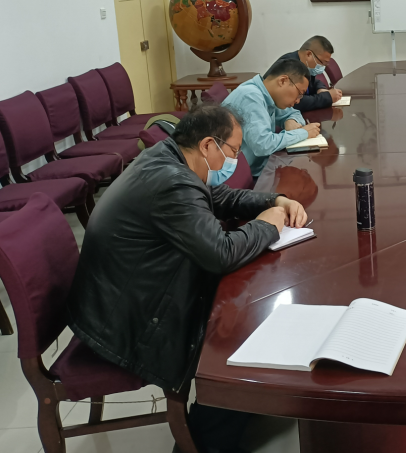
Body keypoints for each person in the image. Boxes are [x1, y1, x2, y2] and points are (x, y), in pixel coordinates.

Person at [66, 105, 308, 453]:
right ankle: (206, 440)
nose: (235, 160)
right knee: (238, 333)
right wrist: (267, 226)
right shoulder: (171, 182)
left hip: (124, 294)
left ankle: (245, 402)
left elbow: (217, 198)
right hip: (127, 320)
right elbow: (221, 253)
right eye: (233, 151)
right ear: (208, 145)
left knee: (247, 304)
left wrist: (275, 200)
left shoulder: (170, 157)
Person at [222, 58, 321, 177]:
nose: (298, 101)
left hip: (263, 167)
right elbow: (262, 145)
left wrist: (290, 120)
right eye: (299, 94)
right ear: (283, 81)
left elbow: (294, 113)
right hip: (242, 178)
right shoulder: (250, 96)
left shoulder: (269, 95)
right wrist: (303, 133)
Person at [279, 35, 343, 112]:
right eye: (323, 62)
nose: (323, 66)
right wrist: (327, 98)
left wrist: (320, 88)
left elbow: (313, 81)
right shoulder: (289, 66)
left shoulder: (304, 65)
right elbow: (295, 102)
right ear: (309, 54)